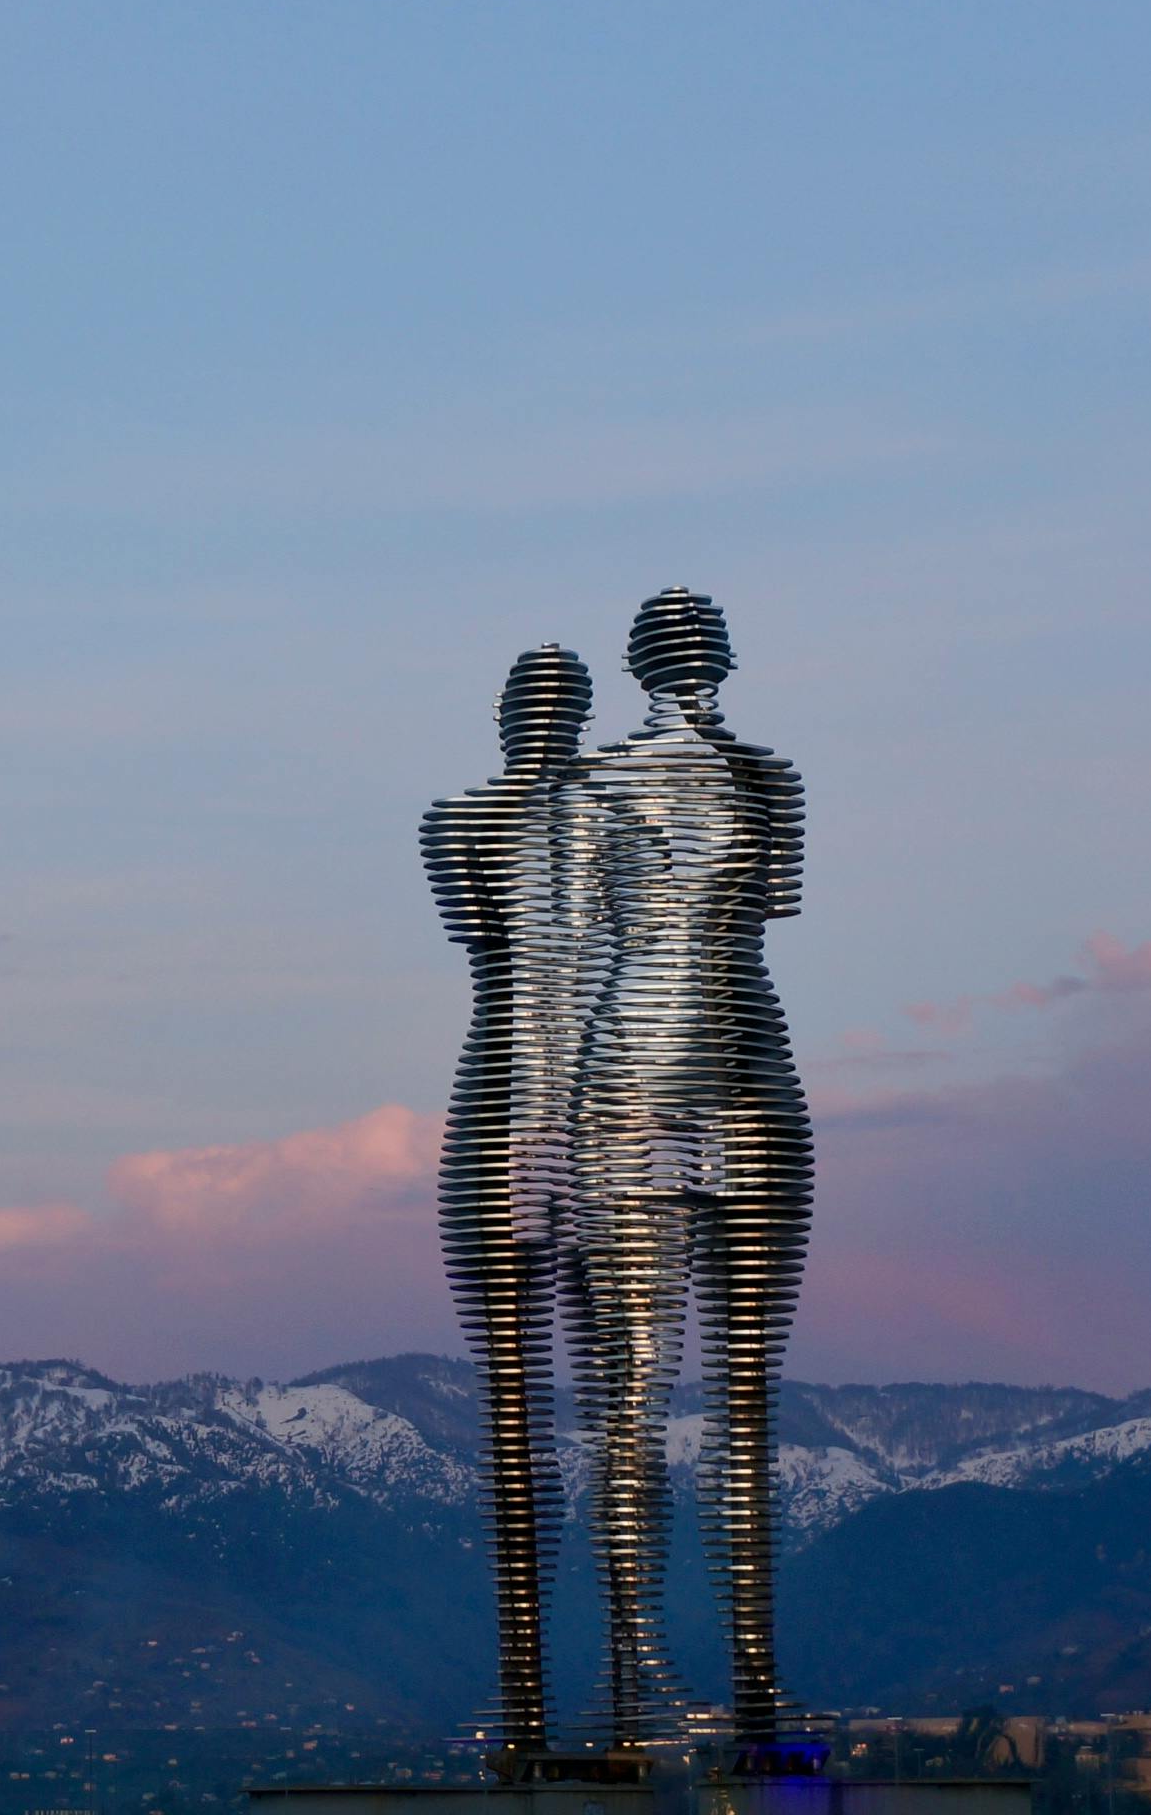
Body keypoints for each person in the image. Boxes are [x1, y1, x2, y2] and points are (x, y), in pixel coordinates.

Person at [571, 587, 812, 1746]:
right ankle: (641, 1677)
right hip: (631, 1070)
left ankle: (755, 1673)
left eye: (703, 652)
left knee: (749, 1386)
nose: (690, 671)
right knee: (640, 1380)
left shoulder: (776, 779)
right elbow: (571, 948)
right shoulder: (596, 785)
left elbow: (771, 917)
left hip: (752, 1056)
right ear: (636, 668)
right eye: (672, 655)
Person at [422, 643, 599, 1758]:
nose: (536, 724)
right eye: (525, 706)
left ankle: (614, 1698)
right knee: (513, 1411)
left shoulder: (615, 827)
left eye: (554, 707)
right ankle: (527, 1707)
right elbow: (498, 944)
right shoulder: (457, 822)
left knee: (601, 1402)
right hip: (507, 1111)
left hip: (580, 1110)